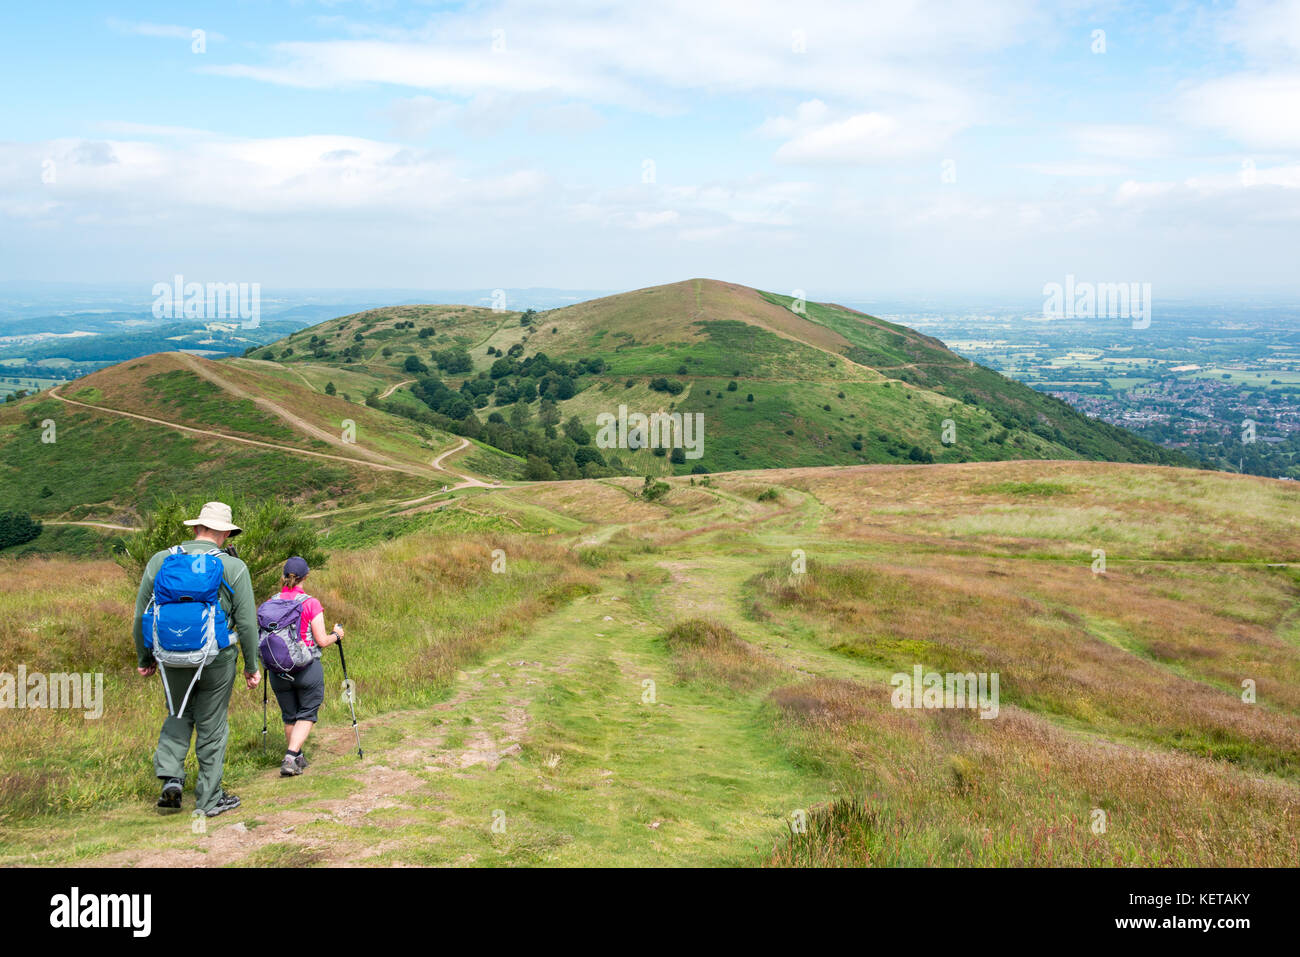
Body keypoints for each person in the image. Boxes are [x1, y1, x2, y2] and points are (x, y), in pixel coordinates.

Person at [133, 501, 260, 817]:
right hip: (218, 656)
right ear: (226, 534)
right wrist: (251, 666)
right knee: (212, 724)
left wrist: (145, 656)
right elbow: (246, 623)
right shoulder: (234, 567)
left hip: (170, 655)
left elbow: (140, 615)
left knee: (178, 712)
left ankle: (171, 780)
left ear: (195, 528)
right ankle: (209, 799)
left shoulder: (162, 560)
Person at [266, 556, 344, 777]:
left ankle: (297, 756)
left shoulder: (270, 602)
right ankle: (291, 756)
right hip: (306, 668)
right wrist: (336, 635)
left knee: (290, 715)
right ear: (305, 577)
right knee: (307, 712)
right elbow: (321, 640)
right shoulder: (311, 603)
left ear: (283, 576)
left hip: (278, 669)